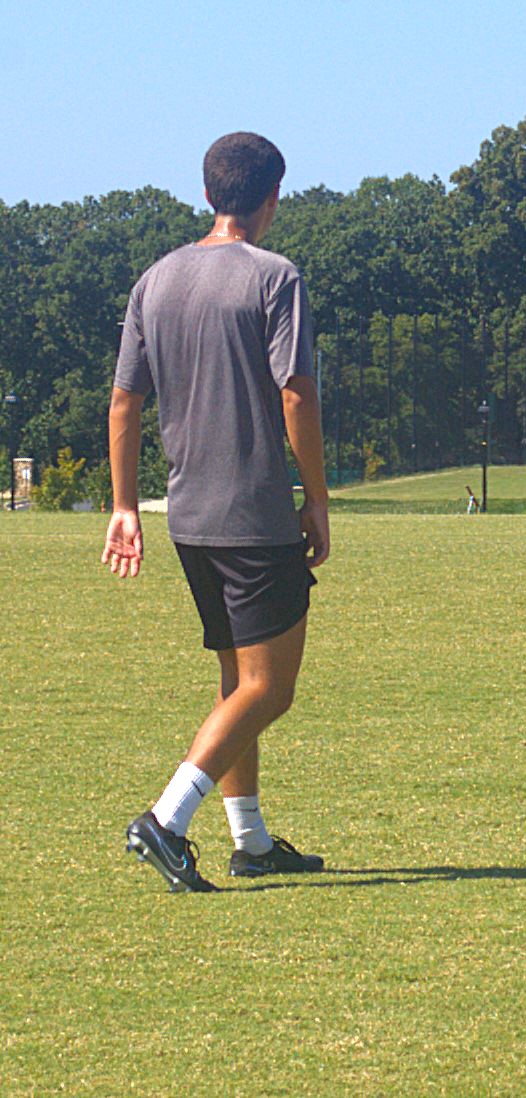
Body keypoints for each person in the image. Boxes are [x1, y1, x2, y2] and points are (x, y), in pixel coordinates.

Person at [106, 133, 330, 893]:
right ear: (273, 198)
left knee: (238, 681)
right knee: (272, 688)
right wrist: (318, 499)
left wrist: (123, 506)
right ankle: (166, 822)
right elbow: (295, 393)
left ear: (207, 195)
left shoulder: (157, 278)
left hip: (189, 514)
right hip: (255, 511)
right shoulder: (276, 276)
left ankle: (252, 841)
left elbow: (124, 400)